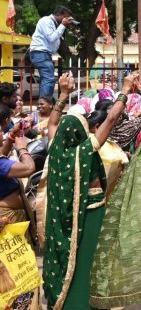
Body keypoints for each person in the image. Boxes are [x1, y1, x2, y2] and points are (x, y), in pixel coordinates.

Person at [42, 73, 134, 309]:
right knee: (88, 262)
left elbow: (53, 123)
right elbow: (112, 118)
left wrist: (63, 94)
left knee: (71, 261)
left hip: (64, 220)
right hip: (91, 214)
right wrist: (125, 89)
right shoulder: (84, 151)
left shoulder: (56, 148)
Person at [0, 105, 38, 309]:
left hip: (10, 221)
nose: (2, 131)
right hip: (7, 222)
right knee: (15, 269)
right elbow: (28, 168)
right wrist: (22, 147)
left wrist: (10, 138)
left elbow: (1, 154)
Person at [29, 6, 75, 98]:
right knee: (49, 80)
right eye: (65, 17)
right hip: (40, 53)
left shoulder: (54, 24)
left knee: (46, 80)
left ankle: (46, 102)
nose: (66, 20)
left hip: (43, 54)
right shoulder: (46, 21)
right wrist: (63, 25)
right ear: (58, 14)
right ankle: (45, 104)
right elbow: (52, 38)